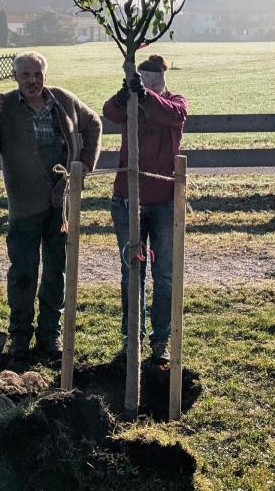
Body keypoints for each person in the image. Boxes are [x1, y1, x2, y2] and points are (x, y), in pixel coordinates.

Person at [0, 51, 101, 362]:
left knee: (56, 271)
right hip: (24, 205)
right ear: (16, 78)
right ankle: (19, 336)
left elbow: (93, 123)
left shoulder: (63, 101)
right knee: (23, 273)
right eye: (25, 75)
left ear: (45, 75)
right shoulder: (6, 109)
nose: (32, 81)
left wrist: (83, 167)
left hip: (59, 204)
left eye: (37, 74)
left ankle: (49, 336)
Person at [102, 54, 187, 363]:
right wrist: (124, 95)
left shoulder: (175, 102)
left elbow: (173, 115)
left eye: (154, 83)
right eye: (142, 81)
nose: (148, 87)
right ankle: (132, 339)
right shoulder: (129, 106)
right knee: (131, 272)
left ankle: (160, 340)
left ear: (163, 83)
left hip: (165, 201)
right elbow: (109, 112)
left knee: (164, 274)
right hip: (127, 200)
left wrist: (145, 95)